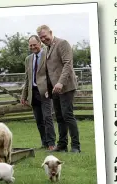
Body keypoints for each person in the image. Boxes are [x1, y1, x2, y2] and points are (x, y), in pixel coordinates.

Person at [36, 25, 81, 153]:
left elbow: (68, 64)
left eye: (45, 36)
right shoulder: (47, 49)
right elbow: (48, 71)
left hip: (66, 86)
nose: (43, 39)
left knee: (68, 115)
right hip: (54, 89)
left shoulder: (62, 43)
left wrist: (61, 82)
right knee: (59, 117)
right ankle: (62, 145)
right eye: (41, 38)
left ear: (50, 32)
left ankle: (75, 146)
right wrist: (47, 88)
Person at [21, 35, 56, 150]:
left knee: (47, 117)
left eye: (34, 44)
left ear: (40, 43)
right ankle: (44, 142)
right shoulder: (28, 59)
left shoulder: (48, 55)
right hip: (33, 92)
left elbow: (52, 74)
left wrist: (50, 89)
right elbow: (27, 78)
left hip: (45, 92)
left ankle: (51, 143)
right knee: (39, 120)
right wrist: (24, 96)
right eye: (30, 45)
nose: (32, 47)